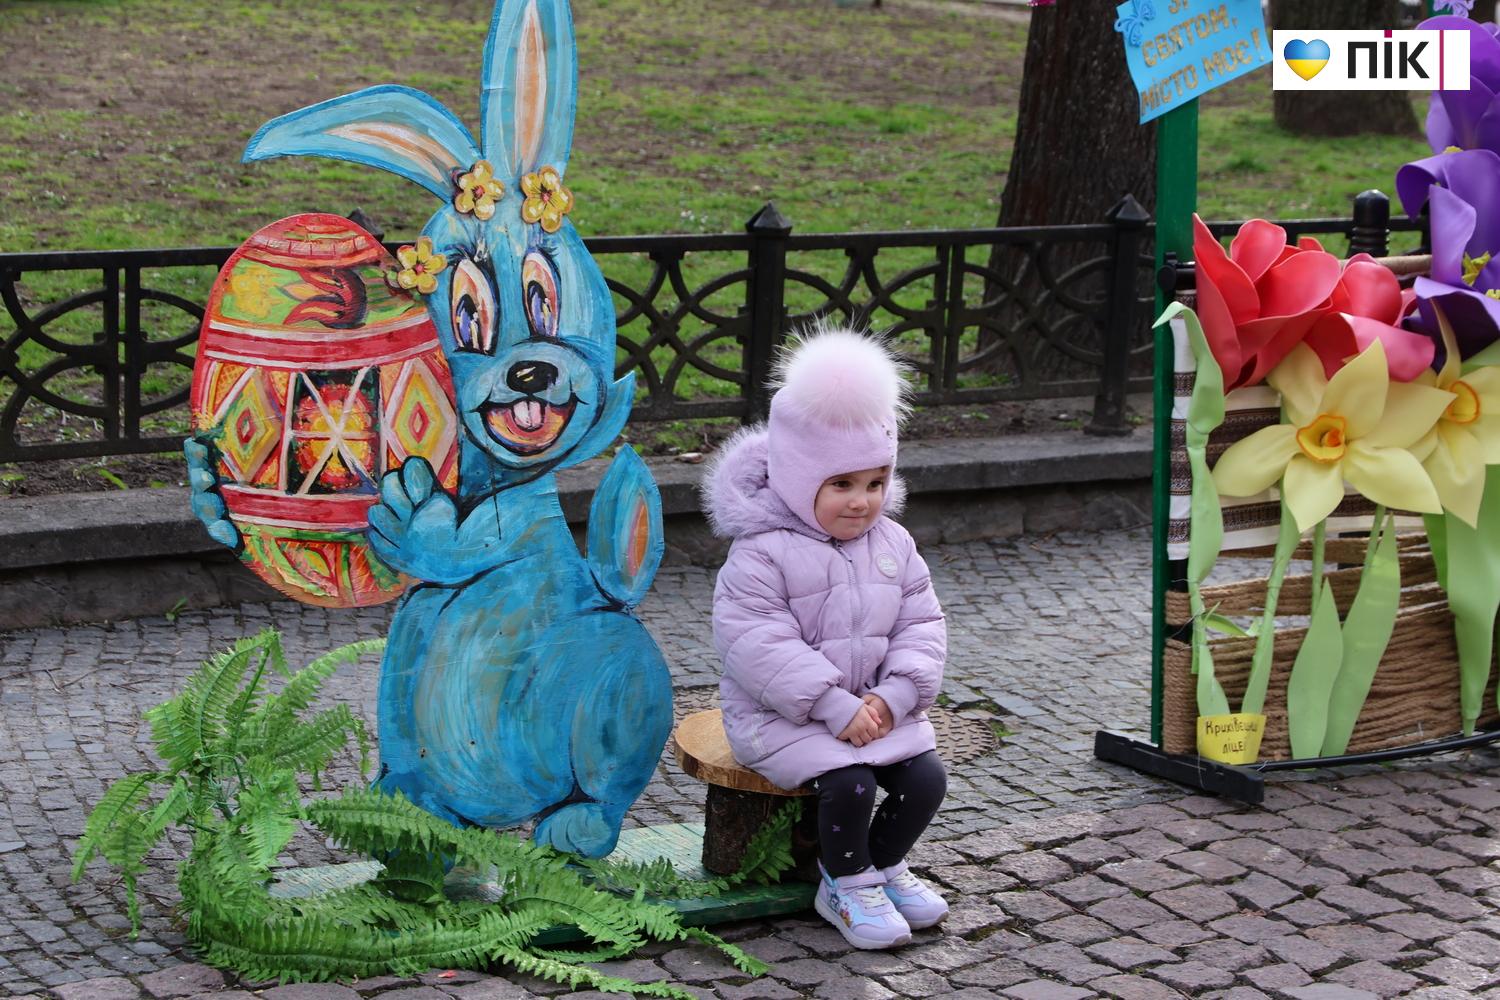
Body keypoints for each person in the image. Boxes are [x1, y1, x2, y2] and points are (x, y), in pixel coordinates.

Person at [702, 326, 948, 950]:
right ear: (796, 477)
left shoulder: (894, 544)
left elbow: (921, 624)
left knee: (925, 780)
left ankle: (883, 865)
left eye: (874, 483)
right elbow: (755, 644)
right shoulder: (761, 553)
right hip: (781, 716)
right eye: (841, 485)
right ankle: (843, 880)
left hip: (875, 709)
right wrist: (832, 704)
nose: (862, 502)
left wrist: (895, 696)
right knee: (851, 784)